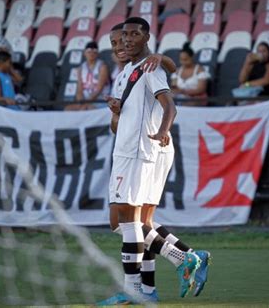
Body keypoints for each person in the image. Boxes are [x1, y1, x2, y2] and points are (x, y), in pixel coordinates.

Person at [99, 17, 206, 305]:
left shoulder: (148, 65)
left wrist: (162, 131)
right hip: (131, 148)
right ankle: (159, 279)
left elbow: (168, 98)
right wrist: (117, 111)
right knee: (134, 222)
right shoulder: (126, 73)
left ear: (144, 37)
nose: (122, 43)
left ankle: (137, 288)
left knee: (128, 221)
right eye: (117, 41)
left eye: (128, 37)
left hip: (139, 151)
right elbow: (117, 125)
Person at [68, 41, 110, 110]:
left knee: (87, 108)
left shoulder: (102, 67)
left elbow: (99, 90)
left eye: (94, 52)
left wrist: (86, 103)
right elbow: (79, 89)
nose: (91, 54)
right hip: (85, 100)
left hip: (100, 100)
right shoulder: (80, 68)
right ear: (84, 53)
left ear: (97, 54)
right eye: (89, 52)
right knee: (68, 109)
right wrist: (80, 102)